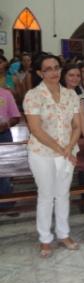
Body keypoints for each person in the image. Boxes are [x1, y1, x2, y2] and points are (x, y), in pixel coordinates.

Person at [23, 54, 81, 258]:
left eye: (56, 67)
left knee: (63, 194)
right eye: (48, 69)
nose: (54, 72)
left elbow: (77, 126)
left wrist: (69, 148)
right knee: (47, 195)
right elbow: (36, 130)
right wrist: (62, 150)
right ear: (40, 72)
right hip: (43, 153)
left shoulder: (70, 94)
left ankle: (63, 233)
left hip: (67, 152)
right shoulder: (33, 95)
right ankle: (45, 239)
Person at [0, 73, 21, 210]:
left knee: (4, 172)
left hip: (3, 135)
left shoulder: (5, 94)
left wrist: (6, 125)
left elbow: (16, 116)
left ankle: (5, 203)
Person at [60, 63, 84, 139]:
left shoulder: (80, 90)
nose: (75, 78)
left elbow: (82, 113)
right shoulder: (57, 90)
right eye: (71, 75)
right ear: (64, 76)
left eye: (78, 76)